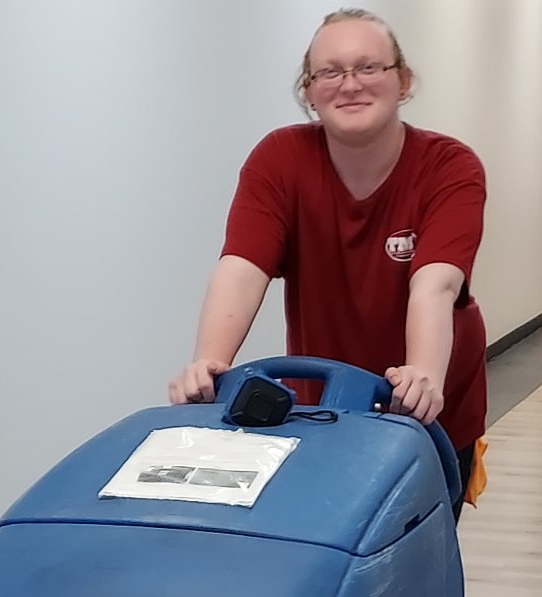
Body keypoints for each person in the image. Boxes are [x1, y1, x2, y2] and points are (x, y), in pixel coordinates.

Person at [167, 8, 488, 520]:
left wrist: (423, 375)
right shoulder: (280, 159)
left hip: (425, 408)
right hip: (323, 405)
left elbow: (435, 285)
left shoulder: (449, 166)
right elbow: (242, 266)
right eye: (330, 72)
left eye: (369, 68)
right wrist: (209, 363)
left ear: (402, 81)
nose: (350, 85)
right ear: (310, 91)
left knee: (412, 556)